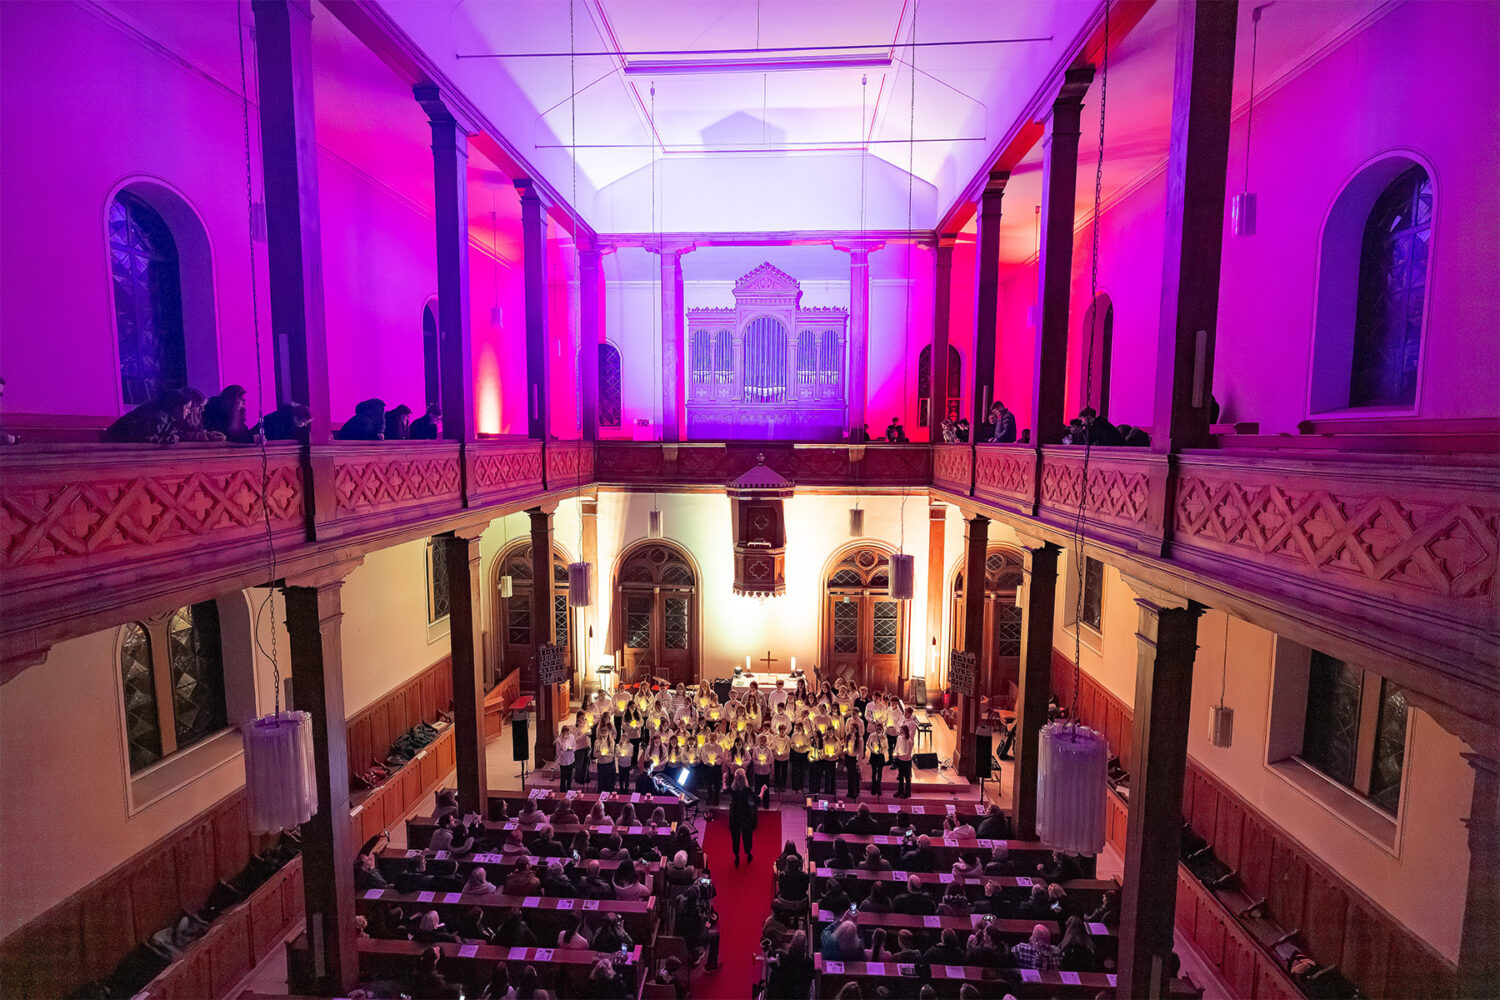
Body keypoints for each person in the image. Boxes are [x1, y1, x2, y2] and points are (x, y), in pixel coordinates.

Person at [674, 884, 720, 971]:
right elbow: (703, 928)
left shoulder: (681, 902)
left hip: (680, 932)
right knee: (715, 935)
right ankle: (711, 965)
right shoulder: (696, 915)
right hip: (692, 937)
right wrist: (708, 923)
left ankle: (695, 952)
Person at [765, 930, 816, 1000]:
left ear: (791, 944)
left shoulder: (781, 957)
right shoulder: (809, 965)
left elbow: (769, 959)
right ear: (805, 948)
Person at [727, 767, 758, 866]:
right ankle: (748, 853)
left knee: (735, 836)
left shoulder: (732, 790)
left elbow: (724, 790)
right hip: (745, 814)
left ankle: (736, 856)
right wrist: (762, 791)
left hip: (735, 814)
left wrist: (724, 780)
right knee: (747, 835)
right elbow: (757, 801)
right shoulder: (747, 790)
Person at [893, 723, 915, 798]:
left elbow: (908, 754)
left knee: (907, 778)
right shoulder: (899, 738)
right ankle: (900, 791)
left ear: (906, 731)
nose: (900, 732)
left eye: (902, 731)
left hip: (906, 761)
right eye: (900, 731)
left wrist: (899, 755)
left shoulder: (909, 741)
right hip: (900, 760)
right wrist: (895, 754)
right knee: (901, 777)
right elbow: (897, 746)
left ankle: (907, 793)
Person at [556, 724, 577, 793]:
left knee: (569, 777)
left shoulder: (572, 737)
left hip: (570, 760)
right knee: (563, 778)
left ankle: (569, 789)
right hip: (563, 761)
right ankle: (562, 791)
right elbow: (558, 753)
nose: (567, 735)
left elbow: (575, 747)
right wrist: (563, 751)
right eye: (566, 733)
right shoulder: (558, 740)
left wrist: (570, 749)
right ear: (562, 733)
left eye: (568, 733)